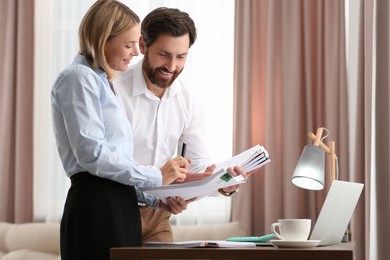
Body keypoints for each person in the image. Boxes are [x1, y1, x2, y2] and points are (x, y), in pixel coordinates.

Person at [51, 1, 189, 259]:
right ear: (102, 40)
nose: (137, 52)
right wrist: (156, 176)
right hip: (97, 209)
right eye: (128, 44)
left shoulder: (103, 82)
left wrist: (154, 200)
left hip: (118, 207)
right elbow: (92, 156)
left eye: (137, 43)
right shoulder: (78, 78)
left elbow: (116, 166)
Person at [114, 7, 245, 243]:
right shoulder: (113, 90)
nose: (172, 66)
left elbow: (200, 166)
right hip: (115, 211)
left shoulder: (189, 100)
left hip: (158, 216)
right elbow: (108, 164)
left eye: (181, 56)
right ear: (143, 45)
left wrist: (224, 183)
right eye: (164, 54)